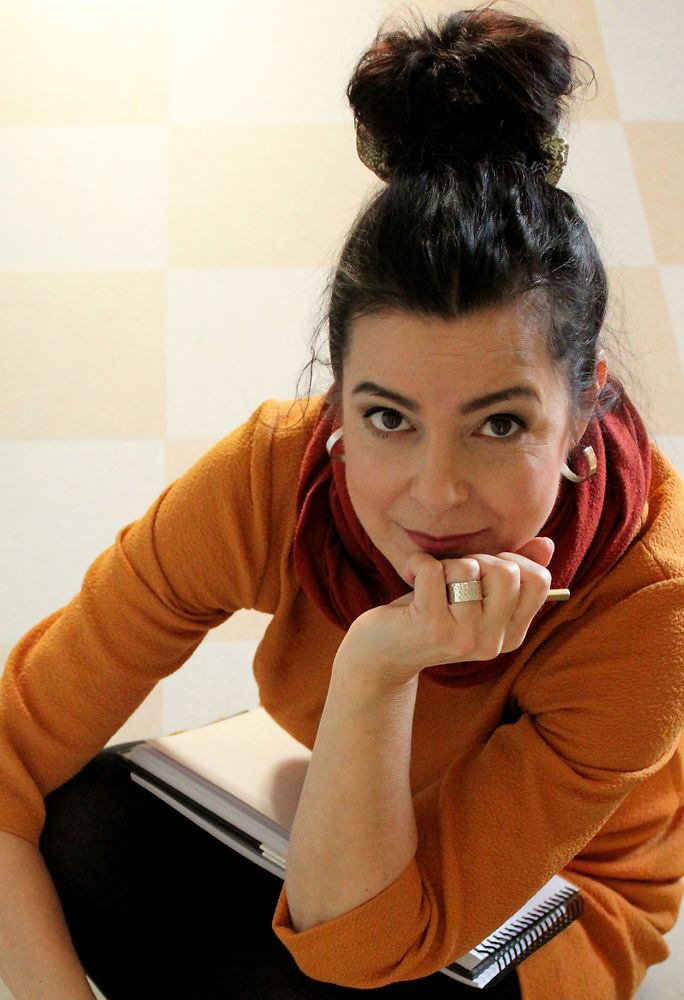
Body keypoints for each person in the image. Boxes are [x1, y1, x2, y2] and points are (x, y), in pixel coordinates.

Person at [1, 5, 683, 1000]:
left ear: (584, 411)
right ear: (337, 400)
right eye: (388, 417)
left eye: (500, 424)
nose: (436, 493)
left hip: (556, 895)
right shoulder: (275, 476)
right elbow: (9, 756)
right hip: (335, 811)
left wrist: (379, 663)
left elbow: (359, 950)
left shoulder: (652, 601)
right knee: (86, 837)